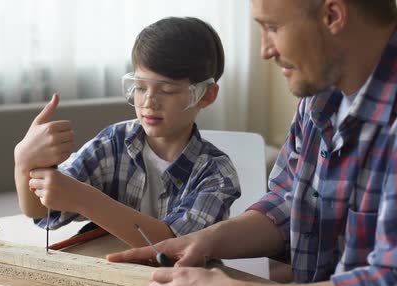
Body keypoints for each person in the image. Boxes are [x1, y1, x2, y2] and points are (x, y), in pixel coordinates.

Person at [107, 0, 397, 286]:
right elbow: (290, 202)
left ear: (333, 15)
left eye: (272, 27)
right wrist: (207, 240)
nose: (265, 50)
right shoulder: (320, 95)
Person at [14, 17, 240, 247]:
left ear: (206, 95)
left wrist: (84, 199)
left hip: (185, 281)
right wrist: (24, 163)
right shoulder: (113, 143)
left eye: (168, 90)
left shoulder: (216, 173)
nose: (149, 101)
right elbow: (42, 211)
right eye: (140, 87)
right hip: (112, 275)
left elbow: (174, 247)